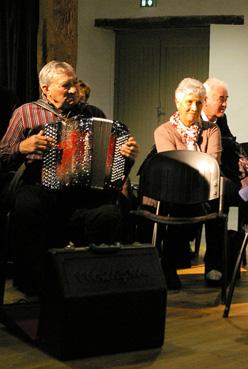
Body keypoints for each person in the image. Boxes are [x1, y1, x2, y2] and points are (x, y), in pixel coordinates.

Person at [0, 60, 139, 297]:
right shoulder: (26, 113)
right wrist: (22, 147)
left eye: (74, 83)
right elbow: (3, 154)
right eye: (66, 86)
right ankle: (32, 285)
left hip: (84, 193)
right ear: (46, 89)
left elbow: (111, 167)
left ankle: (95, 284)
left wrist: (127, 156)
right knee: (27, 206)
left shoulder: (94, 115)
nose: (73, 90)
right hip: (40, 188)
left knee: (109, 214)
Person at [147, 77, 223, 289]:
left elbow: (213, 162)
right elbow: (170, 165)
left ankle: (214, 267)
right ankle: (169, 267)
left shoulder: (211, 130)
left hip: (205, 188)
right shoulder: (163, 131)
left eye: (199, 102)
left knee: (222, 202)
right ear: (177, 102)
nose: (193, 107)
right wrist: (196, 165)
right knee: (179, 203)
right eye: (189, 102)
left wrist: (192, 167)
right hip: (174, 190)